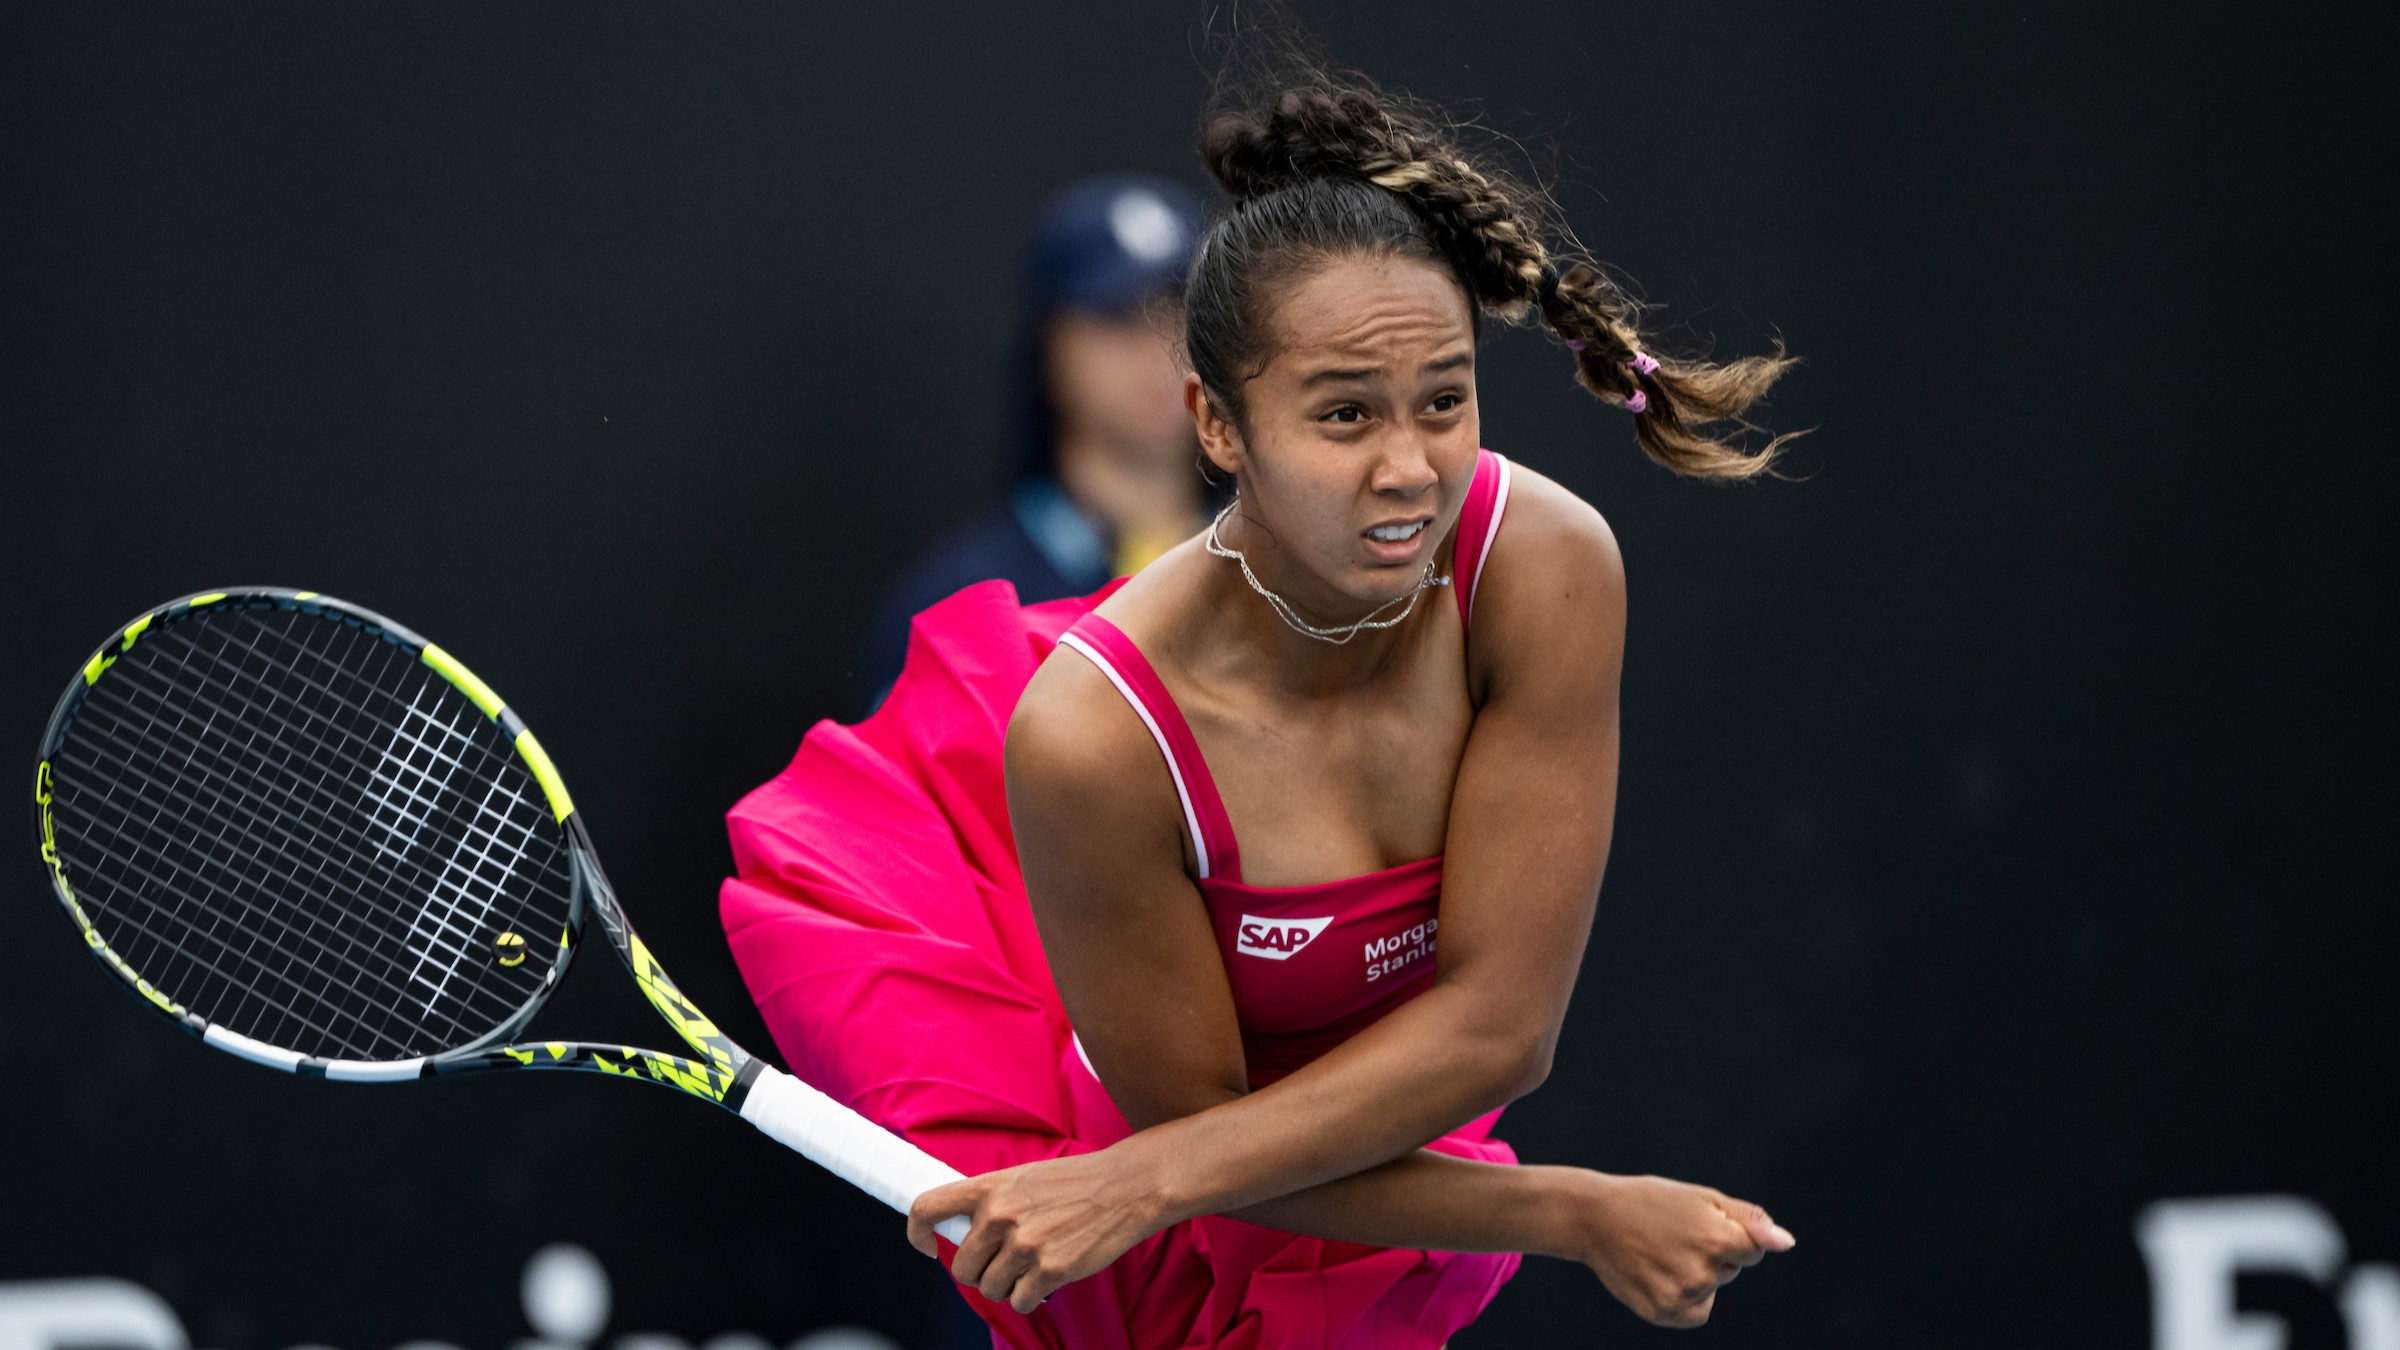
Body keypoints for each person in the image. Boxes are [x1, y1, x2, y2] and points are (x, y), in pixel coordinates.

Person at [723, 65, 1799, 1348]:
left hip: (1181, 1175)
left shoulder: (1546, 565)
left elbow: (1501, 1034)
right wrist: (1574, 1213)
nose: (1409, 469)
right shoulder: (1093, 736)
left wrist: (1570, 1213)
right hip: (1147, 1208)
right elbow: (1204, 1157)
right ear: (1217, 427)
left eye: (1444, 401)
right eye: (1344, 414)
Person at [857, 176, 1210, 710]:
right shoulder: (952, 611)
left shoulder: (1292, 580)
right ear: (1046, 348)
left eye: (1183, 309)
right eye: (1116, 315)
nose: (1161, 347)